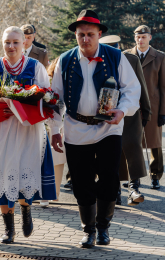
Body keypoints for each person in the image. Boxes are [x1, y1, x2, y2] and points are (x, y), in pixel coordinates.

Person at [50, 10, 141, 248]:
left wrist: (122, 110)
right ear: (76, 36)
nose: (85, 39)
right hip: (75, 127)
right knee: (81, 180)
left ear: (99, 34)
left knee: (109, 176)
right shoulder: (65, 59)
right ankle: (88, 230)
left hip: (108, 128)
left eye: (90, 34)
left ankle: (103, 228)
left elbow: (132, 89)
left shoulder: (115, 57)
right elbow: (56, 98)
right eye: (81, 34)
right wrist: (55, 130)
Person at [0, 26, 56, 244]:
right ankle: (9, 228)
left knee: (23, 175)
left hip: (27, 131)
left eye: (16, 42)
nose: (11, 46)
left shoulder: (35, 67)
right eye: (7, 42)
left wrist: (25, 106)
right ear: (2, 43)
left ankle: (26, 209)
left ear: (24, 43)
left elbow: (47, 99)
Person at [99, 35, 151, 206]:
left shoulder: (131, 59)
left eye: (115, 47)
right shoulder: (96, 61)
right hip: (106, 113)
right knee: (114, 151)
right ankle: (116, 190)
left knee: (133, 147)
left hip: (130, 113)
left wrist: (146, 111)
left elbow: (140, 86)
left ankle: (134, 188)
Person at [125, 25, 165, 190]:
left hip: (153, 106)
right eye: (138, 37)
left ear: (150, 38)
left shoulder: (160, 57)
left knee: (154, 143)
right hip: (132, 105)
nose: (140, 40)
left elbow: (163, 87)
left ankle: (155, 176)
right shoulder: (126, 55)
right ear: (134, 38)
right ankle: (134, 177)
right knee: (132, 142)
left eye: (144, 37)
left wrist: (163, 112)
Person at [40, 57, 67, 207]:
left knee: (58, 160)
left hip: (60, 124)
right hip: (46, 124)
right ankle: (46, 194)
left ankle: (55, 193)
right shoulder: (47, 83)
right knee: (47, 159)